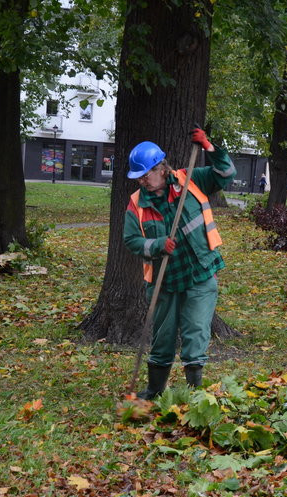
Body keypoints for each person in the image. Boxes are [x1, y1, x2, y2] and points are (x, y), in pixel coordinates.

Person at [123, 128, 236, 400]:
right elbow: (131, 240)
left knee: (196, 332)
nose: (143, 181)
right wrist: (158, 245)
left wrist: (209, 146)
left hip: (200, 272)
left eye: (146, 174)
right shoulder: (137, 203)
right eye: (138, 177)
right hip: (164, 279)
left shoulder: (191, 180)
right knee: (162, 338)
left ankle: (195, 394)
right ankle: (154, 390)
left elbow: (226, 173)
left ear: (161, 168)